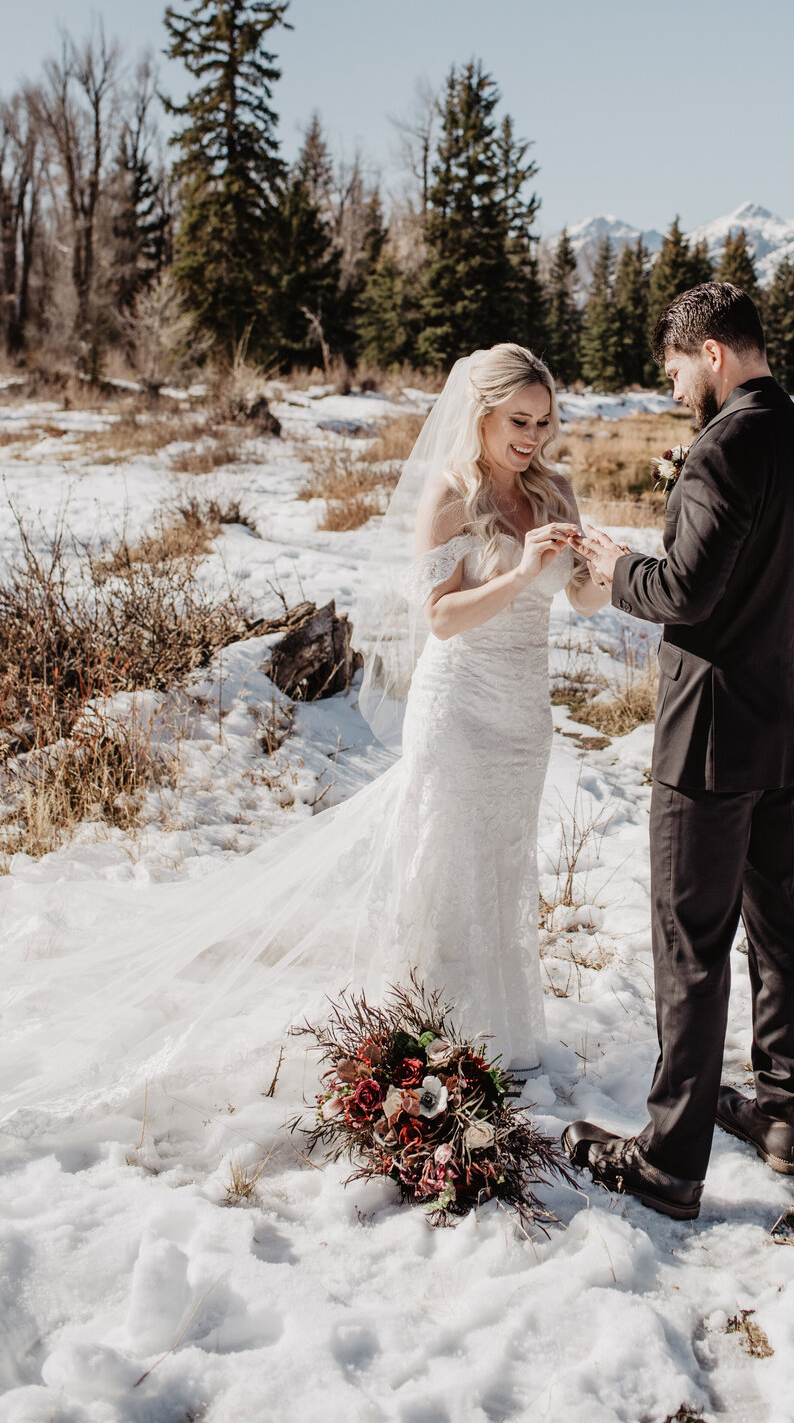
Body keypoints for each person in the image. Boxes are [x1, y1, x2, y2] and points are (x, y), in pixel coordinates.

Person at [0, 344, 610, 1132]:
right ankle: (446, 1034)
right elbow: (441, 619)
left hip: (525, 718)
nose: (532, 437)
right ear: (482, 414)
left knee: (504, 860)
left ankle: (507, 1032)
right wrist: (523, 572)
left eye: (544, 421)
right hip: (460, 709)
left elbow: (586, 603)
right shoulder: (451, 495)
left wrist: (596, 570)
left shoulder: (554, 488)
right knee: (450, 861)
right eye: (518, 421)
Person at [563, 283, 794, 1220]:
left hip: (708, 741)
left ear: (716, 355)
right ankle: (782, 1114)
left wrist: (611, 571)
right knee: (781, 929)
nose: (677, 384)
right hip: (791, 730)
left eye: (680, 367)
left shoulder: (723, 448)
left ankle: (671, 1159)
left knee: (691, 942)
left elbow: (684, 595)